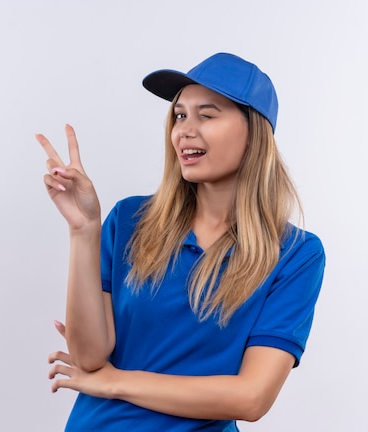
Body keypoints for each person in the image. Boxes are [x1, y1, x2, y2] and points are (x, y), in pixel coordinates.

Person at [36, 52, 325, 431]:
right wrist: (83, 229)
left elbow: (252, 398)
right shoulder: (129, 219)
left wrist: (114, 381)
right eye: (180, 115)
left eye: (207, 115)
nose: (185, 130)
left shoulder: (296, 254)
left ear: (254, 132)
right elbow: (89, 359)